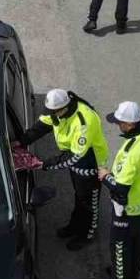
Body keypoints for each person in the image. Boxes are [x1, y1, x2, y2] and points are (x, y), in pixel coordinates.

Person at [18, 88, 110, 250]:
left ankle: (87, 234)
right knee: (79, 196)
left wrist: (44, 164)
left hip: (90, 163)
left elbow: (75, 156)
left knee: (89, 202)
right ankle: (75, 226)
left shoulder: (84, 122)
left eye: (54, 112)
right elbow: (42, 125)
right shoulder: (57, 112)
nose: (51, 115)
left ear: (64, 108)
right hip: (75, 160)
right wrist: (22, 141)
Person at [95, 101, 140, 279]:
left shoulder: (132, 153)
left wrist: (105, 176)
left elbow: (121, 188)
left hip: (127, 206)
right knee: (136, 240)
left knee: (119, 244)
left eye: (120, 122)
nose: (117, 125)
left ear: (130, 124)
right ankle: (131, 273)